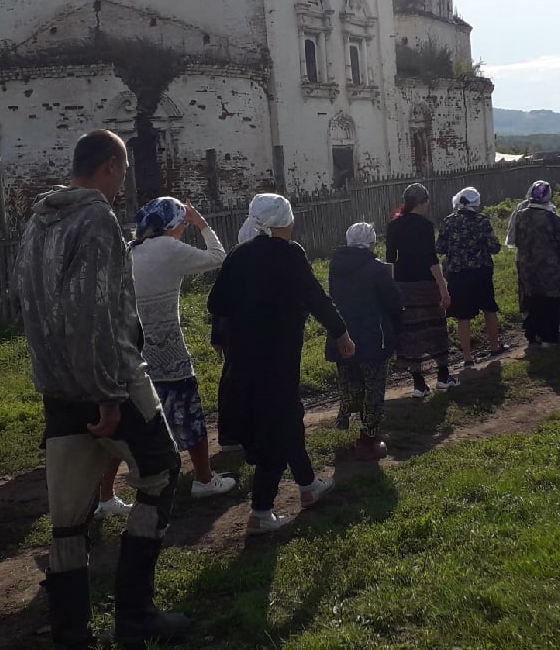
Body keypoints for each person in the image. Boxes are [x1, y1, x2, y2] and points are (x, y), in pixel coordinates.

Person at [19, 129, 189, 650]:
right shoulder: (96, 219)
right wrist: (109, 394)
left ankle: (71, 633)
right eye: (124, 172)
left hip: (57, 386)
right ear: (112, 167)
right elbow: (93, 312)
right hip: (108, 380)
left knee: (68, 515)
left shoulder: (39, 220)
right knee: (161, 475)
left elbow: (28, 301)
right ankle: (135, 615)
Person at [208, 193, 353, 535]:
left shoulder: (239, 255)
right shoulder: (290, 255)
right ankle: (260, 512)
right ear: (284, 222)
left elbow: (217, 302)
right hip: (279, 356)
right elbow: (315, 297)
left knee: (288, 418)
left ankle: (307, 486)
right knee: (277, 425)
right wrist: (341, 333)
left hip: (243, 357)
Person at [115, 196, 235, 503]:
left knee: (126, 426)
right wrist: (202, 224)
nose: (184, 230)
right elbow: (218, 256)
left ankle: (106, 497)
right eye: (183, 225)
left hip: (132, 351)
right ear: (173, 225)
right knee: (188, 413)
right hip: (168, 350)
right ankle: (204, 479)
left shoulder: (130, 250)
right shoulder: (169, 248)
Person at [327, 223, 403, 460]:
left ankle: (351, 425)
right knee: (374, 387)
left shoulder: (336, 266)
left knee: (353, 384)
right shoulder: (377, 269)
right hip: (373, 337)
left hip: (344, 335)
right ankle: (369, 438)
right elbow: (393, 303)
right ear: (371, 243)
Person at [384, 184, 455, 396]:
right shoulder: (425, 226)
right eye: (427, 203)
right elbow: (431, 260)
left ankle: (419, 384)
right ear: (422, 203)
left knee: (411, 334)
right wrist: (443, 288)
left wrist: (391, 289)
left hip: (403, 286)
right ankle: (443, 377)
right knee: (435, 330)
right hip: (425, 285)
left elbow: (390, 260)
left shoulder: (393, 226)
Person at [436, 187, 503, 365]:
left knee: (463, 316)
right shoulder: (482, 221)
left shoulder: (448, 222)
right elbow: (494, 247)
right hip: (481, 271)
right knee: (489, 308)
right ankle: (495, 347)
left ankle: (467, 358)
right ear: (476, 203)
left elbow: (440, 248)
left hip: (457, 274)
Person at [510, 180, 560, 347]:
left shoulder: (520, 215)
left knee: (532, 299)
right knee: (550, 300)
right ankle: (548, 338)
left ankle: (532, 333)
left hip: (527, 265)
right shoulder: (552, 217)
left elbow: (514, 239)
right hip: (548, 266)